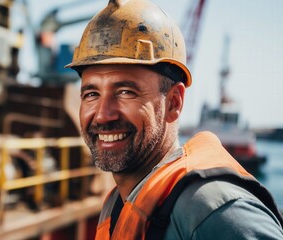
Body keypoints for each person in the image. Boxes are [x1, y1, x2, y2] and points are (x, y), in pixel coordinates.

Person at [65, 0, 283, 239]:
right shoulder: (116, 204)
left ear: (174, 103)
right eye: (91, 94)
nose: (103, 114)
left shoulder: (212, 212)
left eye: (126, 92)